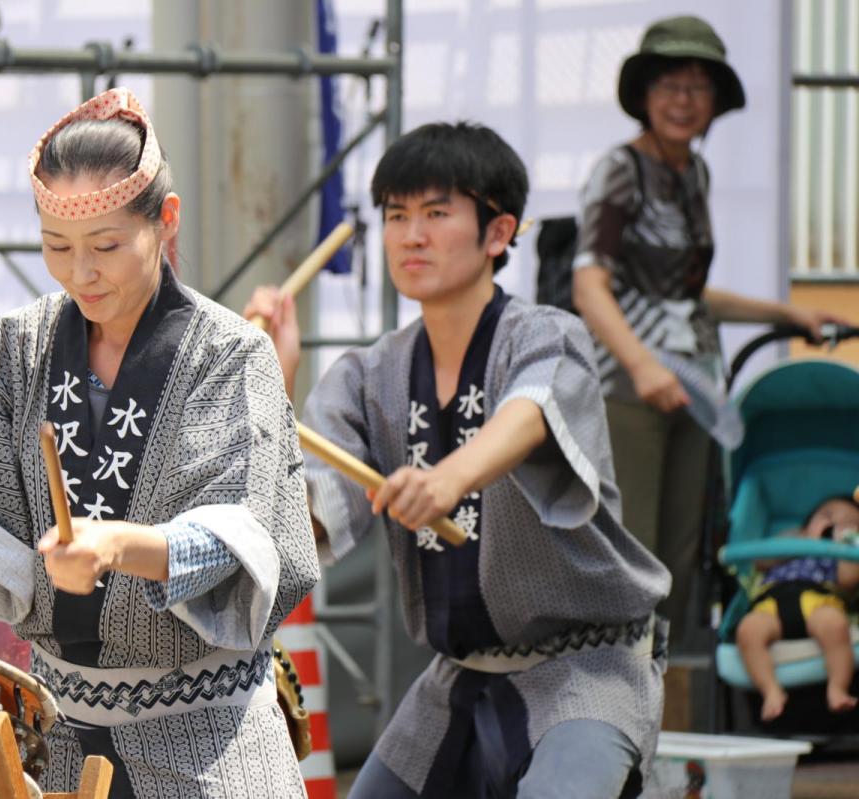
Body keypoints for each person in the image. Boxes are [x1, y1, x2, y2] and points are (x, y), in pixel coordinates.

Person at [0, 87, 319, 798]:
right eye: (55, 247)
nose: (80, 273)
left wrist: (116, 547)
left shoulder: (229, 354)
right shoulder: (14, 349)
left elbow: (240, 529)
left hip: (206, 736)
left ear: (165, 221)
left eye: (105, 246)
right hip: (54, 734)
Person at [247, 121, 670, 798]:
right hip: (458, 675)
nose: (412, 234)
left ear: (498, 233)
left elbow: (529, 415)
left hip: (586, 666)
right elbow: (307, 516)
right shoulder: (366, 377)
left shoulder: (547, 336)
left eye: (437, 213)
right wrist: (273, 381)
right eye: (397, 216)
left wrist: (449, 478)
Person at [571, 15, 847, 645]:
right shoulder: (619, 170)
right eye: (670, 84)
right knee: (629, 551)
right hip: (627, 390)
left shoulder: (693, 174)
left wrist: (789, 315)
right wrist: (643, 366)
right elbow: (591, 287)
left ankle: (661, 704)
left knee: (681, 555)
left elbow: (687, 296)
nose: (684, 100)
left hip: (692, 386)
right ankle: (614, 712)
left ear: (716, 103)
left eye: (699, 87)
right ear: (644, 96)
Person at [735, 495, 859, 722]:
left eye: (849, 523)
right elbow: (760, 560)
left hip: (819, 598)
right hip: (771, 600)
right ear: (806, 525)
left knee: (835, 625)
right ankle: (771, 691)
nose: (835, 525)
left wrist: (848, 548)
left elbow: (848, 580)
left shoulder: (839, 558)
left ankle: (838, 688)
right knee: (748, 630)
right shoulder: (791, 544)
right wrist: (800, 540)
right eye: (828, 516)